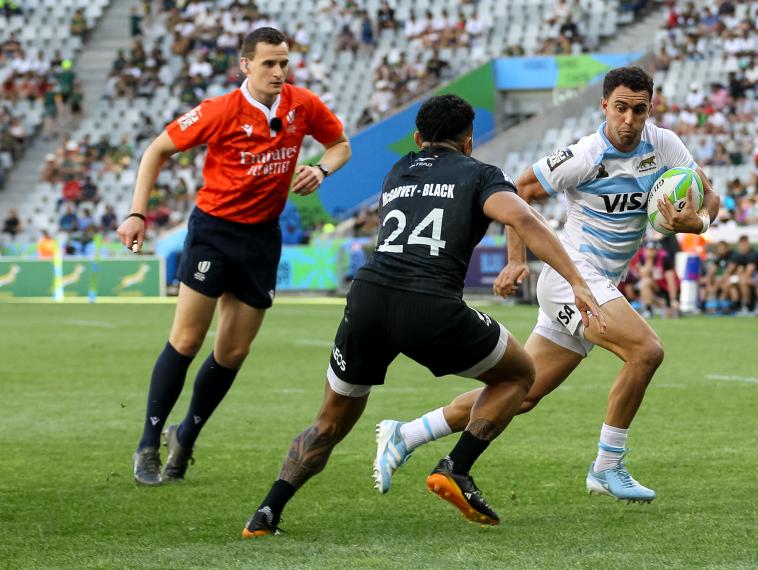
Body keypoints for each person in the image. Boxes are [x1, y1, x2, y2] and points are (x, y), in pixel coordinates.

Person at [241, 94, 605, 537]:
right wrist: (577, 281)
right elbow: (524, 219)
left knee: (330, 420)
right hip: (429, 304)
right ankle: (457, 466)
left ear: (417, 139)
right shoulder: (480, 173)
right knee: (519, 375)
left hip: (368, 298)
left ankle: (266, 513)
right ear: (468, 141)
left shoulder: (397, 171)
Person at [373, 67, 719, 504]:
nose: (629, 120)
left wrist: (698, 222)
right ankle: (607, 466)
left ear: (650, 108)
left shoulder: (664, 144)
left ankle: (406, 434)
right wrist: (516, 259)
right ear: (604, 106)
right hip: (570, 277)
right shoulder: (585, 155)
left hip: (601, 283)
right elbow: (519, 189)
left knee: (523, 393)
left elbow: (709, 193)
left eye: (639, 110)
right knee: (646, 351)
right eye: (620, 108)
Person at [117, 27, 351, 486]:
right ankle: (147, 445)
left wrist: (321, 169)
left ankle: (185, 436)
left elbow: (340, 144)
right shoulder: (219, 110)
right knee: (187, 340)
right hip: (214, 232)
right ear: (245, 65)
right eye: (269, 63)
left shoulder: (302, 105)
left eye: (284, 63)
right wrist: (137, 213)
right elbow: (156, 150)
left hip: (262, 238)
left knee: (234, 351)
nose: (279, 72)